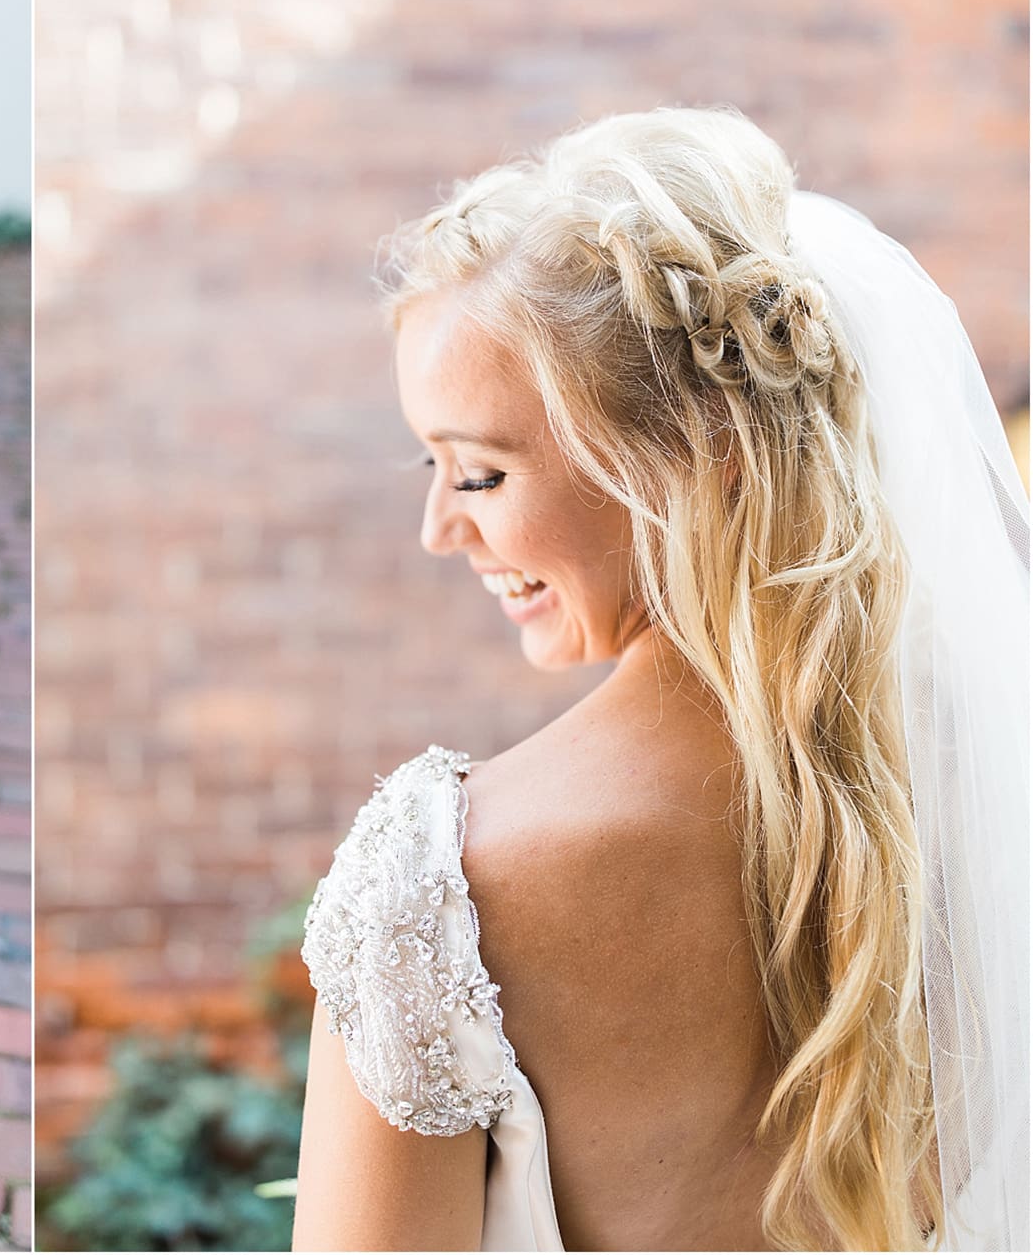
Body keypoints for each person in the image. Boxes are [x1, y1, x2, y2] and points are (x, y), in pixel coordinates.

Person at [291, 107, 1027, 1251]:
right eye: (428, 465)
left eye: (478, 473)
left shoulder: (436, 885)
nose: (438, 528)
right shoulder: (992, 785)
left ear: (693, 460)